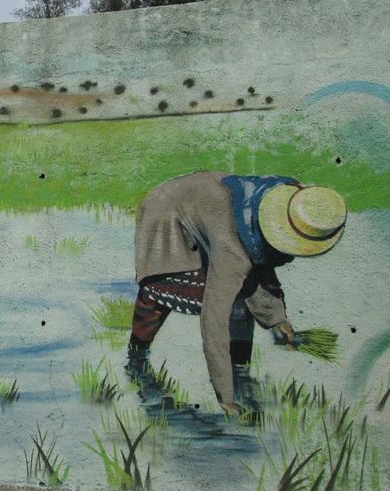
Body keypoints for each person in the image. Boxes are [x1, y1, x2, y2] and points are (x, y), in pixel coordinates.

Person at [132, 171, 347, 417]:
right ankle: (137, 359)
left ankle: (241, 372)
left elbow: (258, 266)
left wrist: (277, 320)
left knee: (240, 291)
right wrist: (227, 399)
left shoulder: (280, 206)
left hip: (208, 210)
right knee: (162, 293)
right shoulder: (232, 245)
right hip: (167, 212)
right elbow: (214, 320)